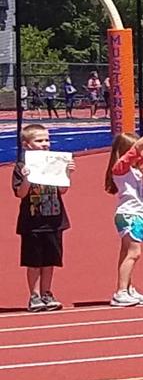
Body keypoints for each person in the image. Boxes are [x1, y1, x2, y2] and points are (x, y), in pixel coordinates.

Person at [14, 124, 75, 311]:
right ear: (26, 144)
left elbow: (63, 190)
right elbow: (20, 194)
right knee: (33, 262)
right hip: (32, 222)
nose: (44, 144)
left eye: (47, 140)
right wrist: (26, 178)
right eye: (39, 140)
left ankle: (47, 293)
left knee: (50, 261)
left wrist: (67, 174)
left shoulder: (55, 162)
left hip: (54, 219)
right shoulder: (21, 166)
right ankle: (34, 296)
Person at [105, 128, 143, 306]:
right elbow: (137, 149)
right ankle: (121, 291)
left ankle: (128, 287)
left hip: (138, 213)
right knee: (134, 253)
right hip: (129, 213)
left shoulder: (135, 167)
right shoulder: (121, 168)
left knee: (126, 252)